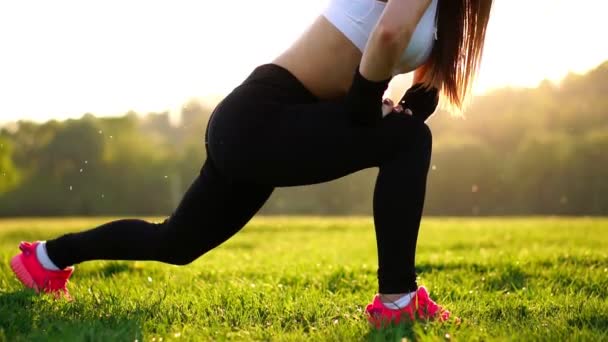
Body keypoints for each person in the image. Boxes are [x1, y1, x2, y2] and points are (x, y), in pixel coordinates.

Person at [10, 0, 493, 327]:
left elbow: (424, 85)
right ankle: (397, 300)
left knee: (177, 242)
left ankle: (46, 259)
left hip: (267, 124)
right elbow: (386, 35)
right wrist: (368, 108)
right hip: (262, 115)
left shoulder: (450, 13)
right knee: (409, 142)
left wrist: (398, 110)